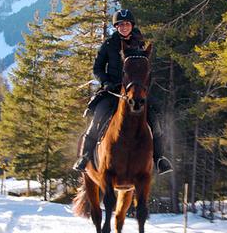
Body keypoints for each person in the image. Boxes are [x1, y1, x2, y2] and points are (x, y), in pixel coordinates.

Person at [73, 9, 173, 175]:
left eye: (127, 24)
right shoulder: (108, 45)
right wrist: (106, 82)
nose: (124, 27)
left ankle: (160, 159)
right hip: (112, 91)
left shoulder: (140, 44)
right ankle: (85, 157)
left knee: (155, 120)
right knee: (97, 119)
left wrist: (142, 86)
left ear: (131, 25)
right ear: (116, 27)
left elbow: (146, 69)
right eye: (120, 24)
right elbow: (97, 68)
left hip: (135, 93)